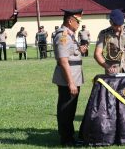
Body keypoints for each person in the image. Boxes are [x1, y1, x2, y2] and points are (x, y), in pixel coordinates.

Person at [52, 8, 88, 146]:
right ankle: (66, 139)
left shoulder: (70, 35)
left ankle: (69, 137)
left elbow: (69, 53)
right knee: (66, 109)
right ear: (70, 20)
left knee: (70, 109)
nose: (79, 24)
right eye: (77, 21)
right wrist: (71, 83)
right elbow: (63, 60)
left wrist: (79, 50)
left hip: (73, 77)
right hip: (68, 79)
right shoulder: (64, 36)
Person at [94, 9, 125, 75]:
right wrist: (107, 67)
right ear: (110, 22)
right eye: (115, 26)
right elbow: (97, 53)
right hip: (112, 70)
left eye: (120, 25)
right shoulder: (104, 33)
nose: (118, 29)